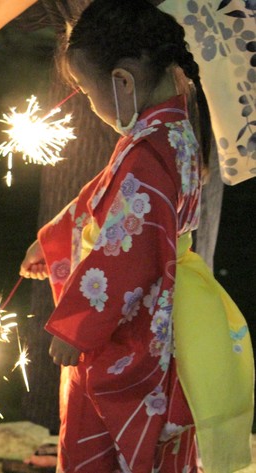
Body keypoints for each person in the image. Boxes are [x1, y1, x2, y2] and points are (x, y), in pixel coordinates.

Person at [18, 0, 254, 472]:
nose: (88, 101)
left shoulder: (150, 148)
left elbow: (132, 248)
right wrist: (55, 238)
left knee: (105, 441)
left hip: (135, 324)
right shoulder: (174, 118)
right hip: (166, 312)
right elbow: (108, 194)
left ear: (122, 81)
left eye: (86, 90)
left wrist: (78, 325)